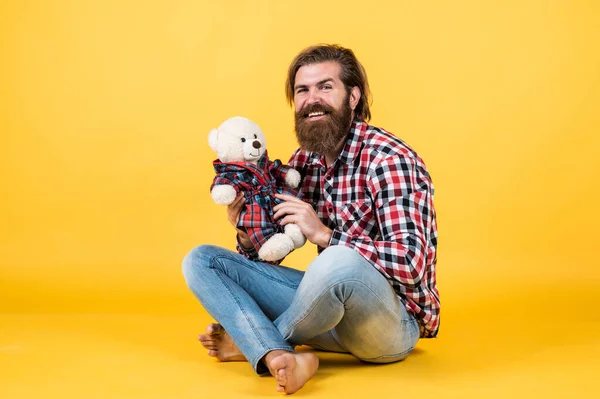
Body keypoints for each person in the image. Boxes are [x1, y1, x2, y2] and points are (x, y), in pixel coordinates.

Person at [182, 44, 439, 394]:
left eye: (325, 87)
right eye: (303, 90)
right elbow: (271, 254)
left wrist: (326, 236)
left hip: (390, 326)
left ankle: (254, 343)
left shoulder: (388, 159)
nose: (311, 99)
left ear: (353, 97)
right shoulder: (304, 162)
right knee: (202, 260)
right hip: (324, 316)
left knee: (336, 259)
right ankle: (282, 355)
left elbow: (412, 263)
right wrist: (247, 233)